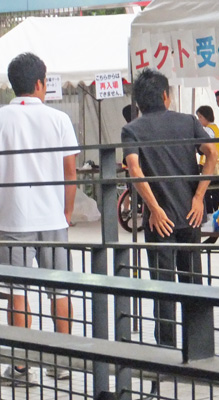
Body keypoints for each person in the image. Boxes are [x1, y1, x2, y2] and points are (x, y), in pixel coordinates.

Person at [121, 68, 217, 349]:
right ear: (166, 96)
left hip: (158, 219)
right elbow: (212, 153)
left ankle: (166, 347)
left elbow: (134, 169)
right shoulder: (188, 122)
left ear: (138, 101)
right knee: (192, 281)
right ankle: (196, 345)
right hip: (191, 214)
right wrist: (199, 197)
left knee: (163, 285)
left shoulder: (132, 129)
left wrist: (154, 208)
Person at [0, 52, 79, 385]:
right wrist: (66, 213)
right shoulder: (58, 119)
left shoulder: (1, 118)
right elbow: (70, 171)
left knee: (17, 291)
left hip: (13, 219)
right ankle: (61, 362)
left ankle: (20, 366)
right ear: (39, 83)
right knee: (60, 291)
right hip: (52, 218)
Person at [196, 105, 219, 215]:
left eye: (200, 117)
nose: (198, 120)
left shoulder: (207, 130)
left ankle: (209, 213)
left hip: (209, 164)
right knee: (217, 192)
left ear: (206, 117)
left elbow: (204, 147)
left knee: (207, 190)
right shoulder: (216, 128)